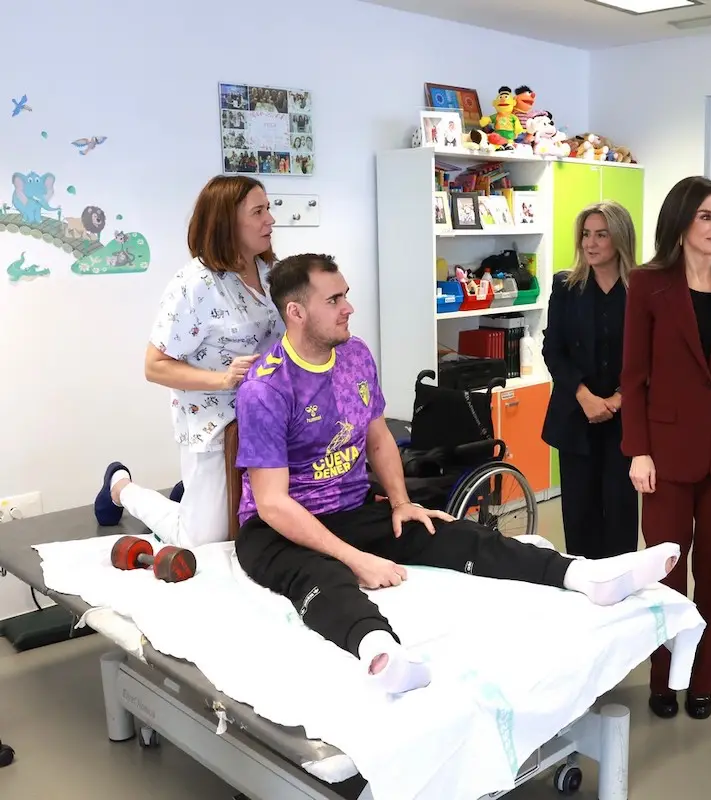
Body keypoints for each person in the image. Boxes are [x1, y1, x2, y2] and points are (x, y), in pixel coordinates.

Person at [232, 253, 680, 698]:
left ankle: (582, 576)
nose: (349, 307)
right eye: (334, 300)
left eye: (346, 295)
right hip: (276, 529)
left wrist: (403, 502)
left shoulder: (353, 356)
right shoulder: (267, 387)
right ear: (296, 312)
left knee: (456, 533)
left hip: (350, 509)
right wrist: (355, 559)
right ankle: (381, 652)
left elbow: (379, 439)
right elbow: (272, 502)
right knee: (323, 578)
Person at [621, 176, 711, 720]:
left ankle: (702, 680)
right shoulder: (648, 284)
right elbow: (633, 375)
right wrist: (638, 449)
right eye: (707, 217)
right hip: (664, 453)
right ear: (682, 223)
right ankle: (664, 679)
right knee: (665, 573)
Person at [93, 175, 281, 548]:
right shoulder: (194, 284)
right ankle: (121, 486)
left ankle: (190, 493)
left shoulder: (271, 273)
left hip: (267, 417)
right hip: (213, 421)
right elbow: (155, 366)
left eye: (268, 209)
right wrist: (225, 379)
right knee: (202, 540)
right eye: (258, 212)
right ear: (227, 222)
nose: (270, 220)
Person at [541, 201, 640, 559]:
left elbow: (651, 356)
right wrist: (583, 395)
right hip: (575, 419)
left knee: (620, 519)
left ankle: (622, 602)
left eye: (601, 234)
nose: (591, 243)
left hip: (623, 421)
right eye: (586, 234)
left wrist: (617, 400)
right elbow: (553, 350)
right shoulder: (566, 286)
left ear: (620, 239)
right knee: (580, 521)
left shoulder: (642, 288)